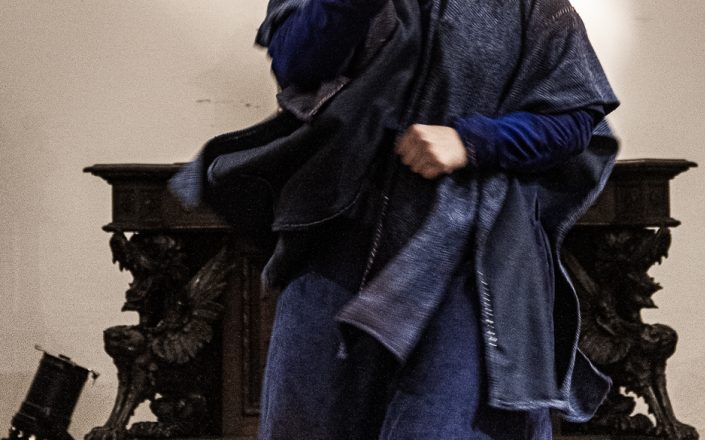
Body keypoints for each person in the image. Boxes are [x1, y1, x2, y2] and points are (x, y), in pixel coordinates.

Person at [170, 0, 620, 438]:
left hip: (468, 261)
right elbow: (297, 63)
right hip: (335, 250)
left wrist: (474, 141)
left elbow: (575, 116)